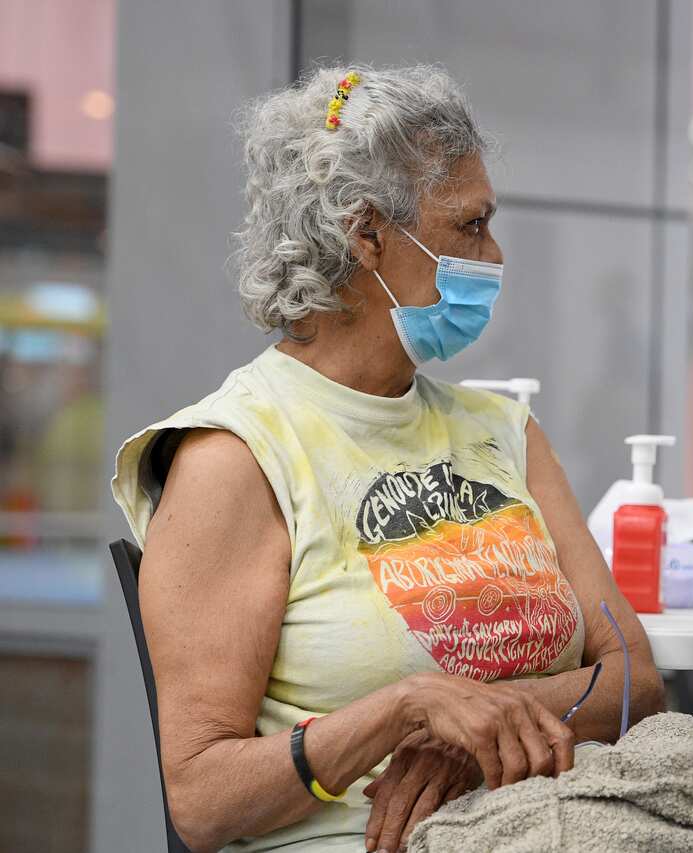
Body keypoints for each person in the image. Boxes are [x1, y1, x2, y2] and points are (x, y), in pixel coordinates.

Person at [111, 65, 663, 853]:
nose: (495, 251)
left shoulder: (504, 431)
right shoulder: (236, 457)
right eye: (470, 226)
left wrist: (477, 724)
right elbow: (201, 799)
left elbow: (638, 680)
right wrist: (402, 709)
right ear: (366, 233)